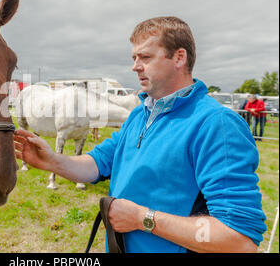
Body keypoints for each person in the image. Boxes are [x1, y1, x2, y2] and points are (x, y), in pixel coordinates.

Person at [14, 16, 266, 253]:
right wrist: (52, 161)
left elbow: (239, 239)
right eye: (134, 57)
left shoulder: (216, 124)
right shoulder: (139, 115)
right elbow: (97, 163)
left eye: (145, 56)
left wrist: (142, 219)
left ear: (179, 58)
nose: (135, 66)